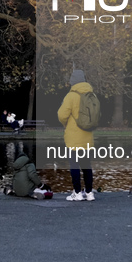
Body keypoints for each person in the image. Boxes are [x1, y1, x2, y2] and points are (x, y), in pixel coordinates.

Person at [57, 69, 95, 201]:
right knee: (86, 165)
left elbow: (62, 115)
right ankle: (89, 193)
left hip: (74, 137)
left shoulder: (71, 96)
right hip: (88, 137)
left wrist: (65, 124)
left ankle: (77, 193)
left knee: (74, 165)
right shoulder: (91, 95)